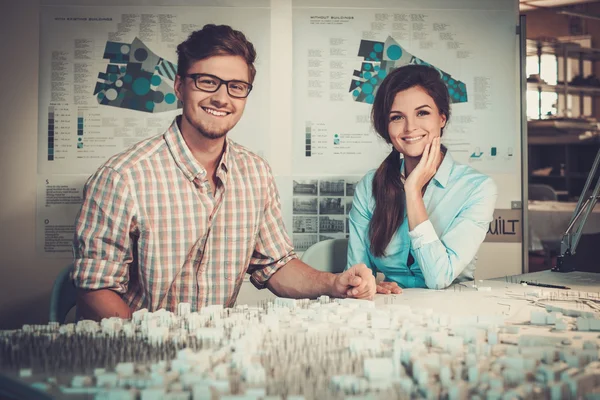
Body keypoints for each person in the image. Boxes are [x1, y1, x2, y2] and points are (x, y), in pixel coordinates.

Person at [73, 24, 376, 321]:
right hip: (138, 356)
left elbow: (276, 265)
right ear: (179, 86)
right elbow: (95, 288)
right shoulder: (122, 177)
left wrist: (335, 283)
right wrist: (148, 349)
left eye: (236, 87)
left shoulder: (255, 173)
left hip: (214, 352)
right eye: (207, 81)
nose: (221, 97)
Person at [347, 64, 497, 293]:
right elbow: (356, 274)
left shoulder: (478, 188)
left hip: (451, 311)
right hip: (389, 309)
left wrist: (412, 190)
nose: (410, 127)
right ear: (386, 126)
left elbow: (439, 278)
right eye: (397, 117)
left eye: (422, 113)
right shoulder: (370, 186)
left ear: (442, 118)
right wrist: (366, 286)